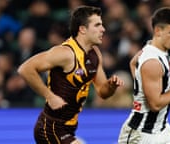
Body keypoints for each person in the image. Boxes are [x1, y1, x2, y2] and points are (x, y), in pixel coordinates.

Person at [18, 6, 124, 144]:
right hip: (51, 127)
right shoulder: (65, 53)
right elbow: (25, 69)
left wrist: (111, 86)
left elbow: (103, 92)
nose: (103, 29)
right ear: (82, 29)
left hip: (68, 128)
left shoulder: (95, 53)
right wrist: (49, 96)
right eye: (97, 25)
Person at [118, 7, 170, 144]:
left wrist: (141, 86)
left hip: (161, 128)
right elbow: (155, 104)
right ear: (158, 31)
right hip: (142, 133)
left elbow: (133, 63)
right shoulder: (152, 62)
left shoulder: (156, 50)